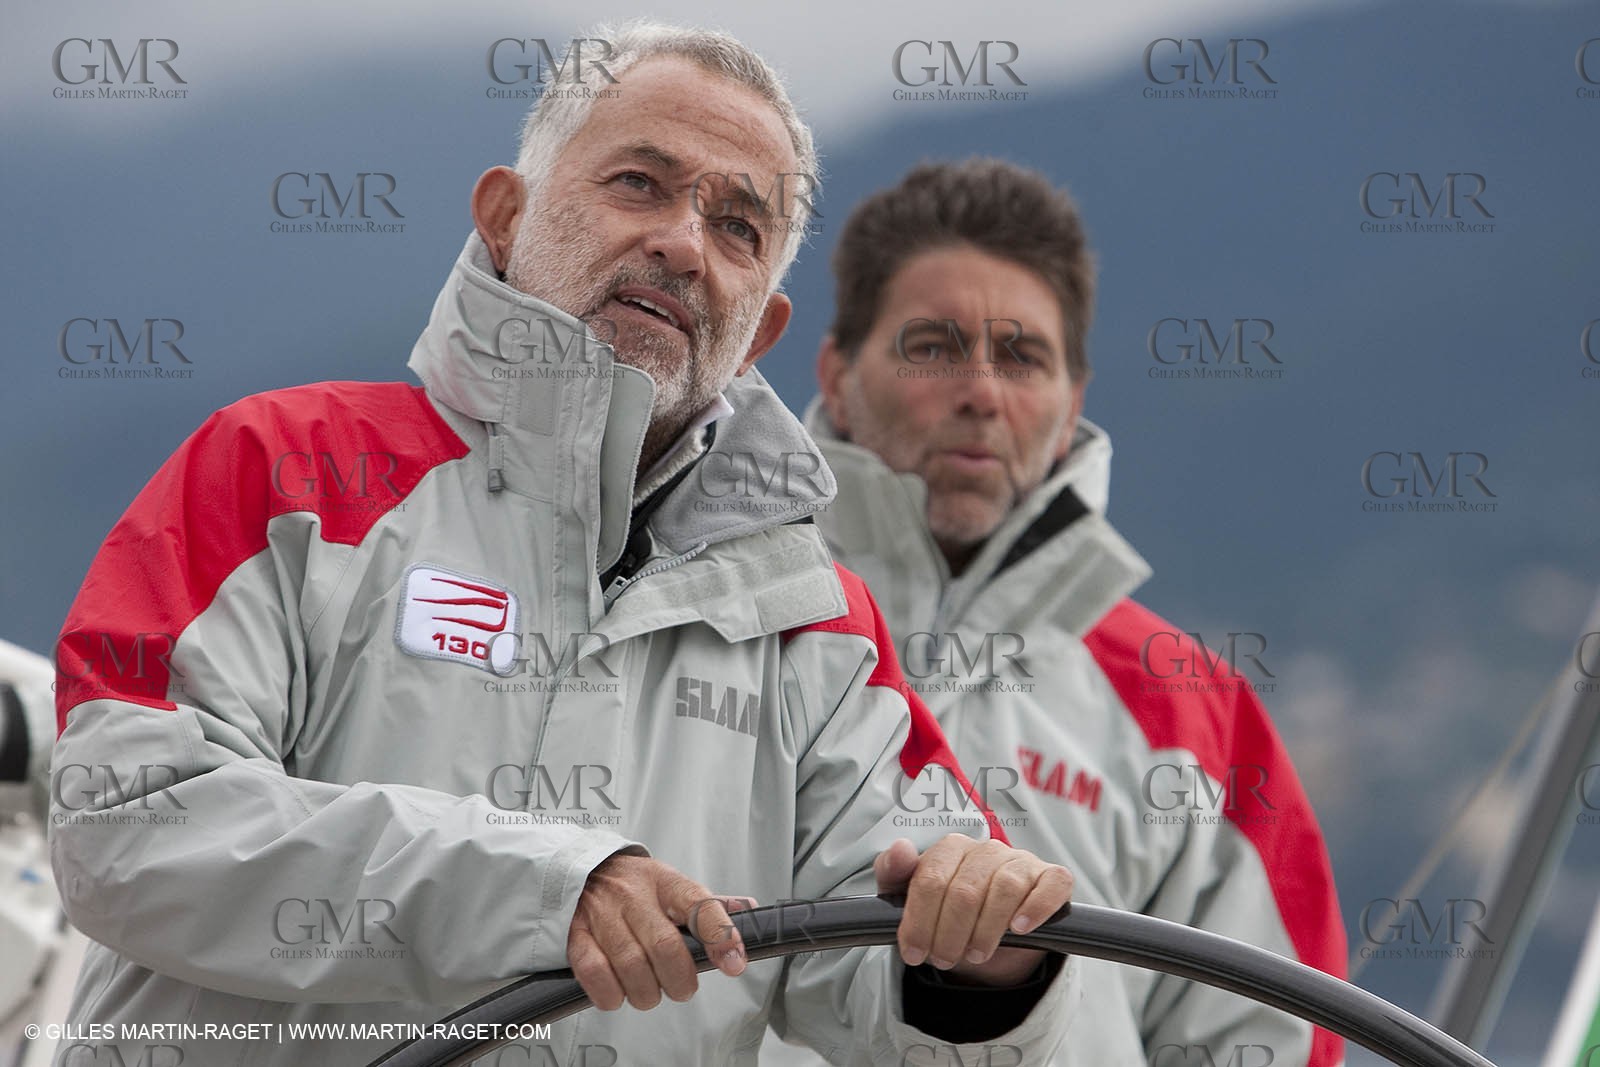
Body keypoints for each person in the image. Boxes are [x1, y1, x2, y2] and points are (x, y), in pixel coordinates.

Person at [46, 28, 1078, 1067]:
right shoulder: (277, 468)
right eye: (639, 182)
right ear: (505, 216)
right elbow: (125, 823)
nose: (682, 243)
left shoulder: (819, 622)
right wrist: (545, 886)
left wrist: (981, 960)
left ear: (759, 329)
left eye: (736, 226)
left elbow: (901, 1000)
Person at [779, 158, 1348, 1066]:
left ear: (1072, 403)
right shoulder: (719, 611)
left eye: (1022, 356)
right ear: (838, 374)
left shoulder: (1194, 705)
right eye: (933, 344)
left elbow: (1278, 1038)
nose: (982, 391)